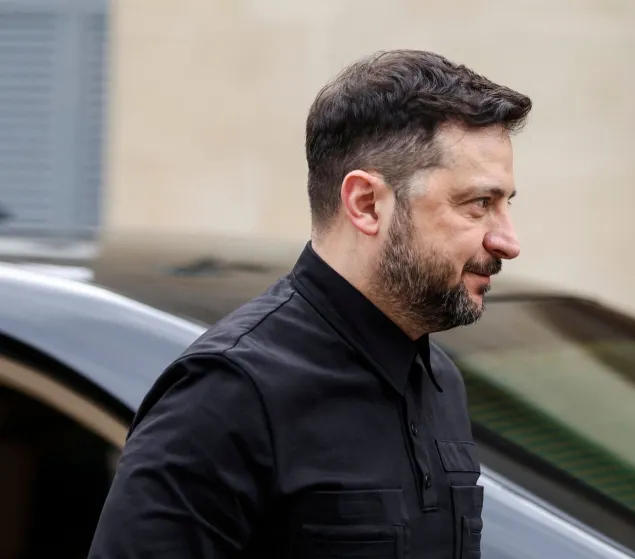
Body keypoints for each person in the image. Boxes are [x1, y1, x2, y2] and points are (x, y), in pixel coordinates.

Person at [87, 49, 531, 558]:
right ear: (366, 204)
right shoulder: (227, 392)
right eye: (479, 204)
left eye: (505, 205)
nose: (507, 240)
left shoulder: (439, 380)